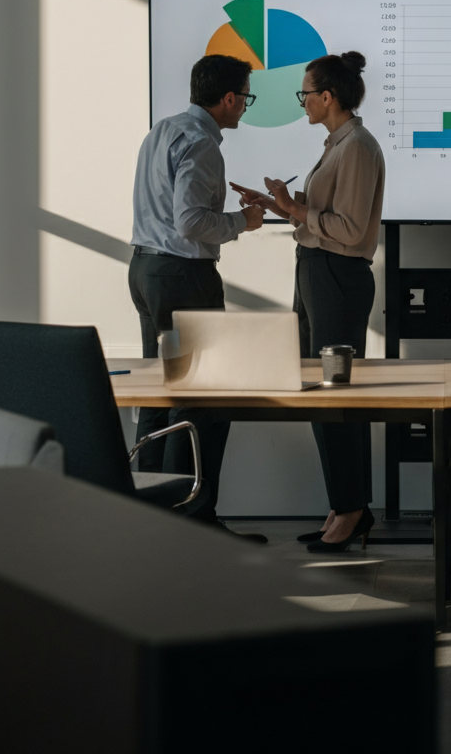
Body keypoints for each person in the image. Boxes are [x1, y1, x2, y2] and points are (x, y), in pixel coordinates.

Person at [231, 52, 385, 553]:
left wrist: (297, 208)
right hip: (317, 272)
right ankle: (346, 505)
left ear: (329, 97)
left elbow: (351, 229)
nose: (302, 102)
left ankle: (351, 509)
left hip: (336, 276)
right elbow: (324, 219)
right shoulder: (338, 144)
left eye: (306, 94)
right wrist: (284, 206)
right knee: (324, 394)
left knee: (335, 398)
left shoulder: (356, 147)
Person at [130, 53, 266, 541]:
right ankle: (193, 526)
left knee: (160, 396)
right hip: (184, 275)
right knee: (202, 400)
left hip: (145, 270)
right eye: (245, 98)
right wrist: (242, 222)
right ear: (228, 98)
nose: (246, 107)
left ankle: (150, 521)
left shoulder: (161, 131)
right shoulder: (203, 143)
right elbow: (190, 223)